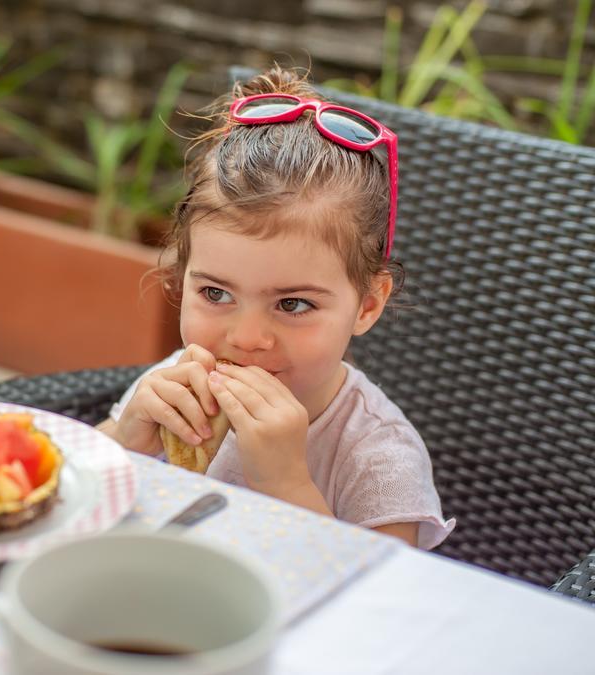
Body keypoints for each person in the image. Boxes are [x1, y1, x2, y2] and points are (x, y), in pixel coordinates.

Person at [97, 66, 454, 549]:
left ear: (368, 304)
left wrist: (285, 484)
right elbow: (82, 489)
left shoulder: (377, 457)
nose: (246, 338)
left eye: (292, 303)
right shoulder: (173, 387)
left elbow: (385, 597)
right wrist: (124, 441)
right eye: (216, 294)